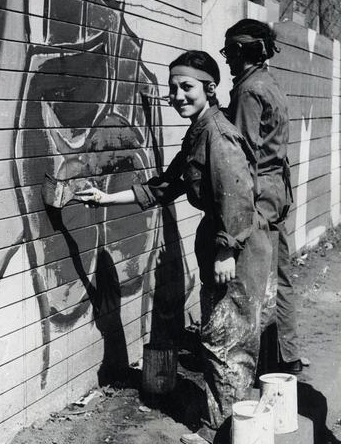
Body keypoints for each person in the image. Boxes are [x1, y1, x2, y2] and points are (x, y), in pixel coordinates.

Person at [77, 50, 272, 444]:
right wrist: (105, 198)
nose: (178, 95)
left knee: (227, 343)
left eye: (186, 87)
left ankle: (226, 432)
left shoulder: (218, 135)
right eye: (173, 88)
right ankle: (230, 426)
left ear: (210, 88)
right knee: (221, 340)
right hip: (223, 244)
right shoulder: (199, 131)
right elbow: (166, 186)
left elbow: (238, 197)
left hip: (235, 250)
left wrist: (226, 251)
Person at [221, 18, 302, 374]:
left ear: (240, 52)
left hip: (257, 194)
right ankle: (286, 356)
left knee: (251, 285)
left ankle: (248, 369)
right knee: (279, 276)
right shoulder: (267, 82)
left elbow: (239, 157)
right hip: (276, 191)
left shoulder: (248, 91)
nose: (225, 60)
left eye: (228, 52)